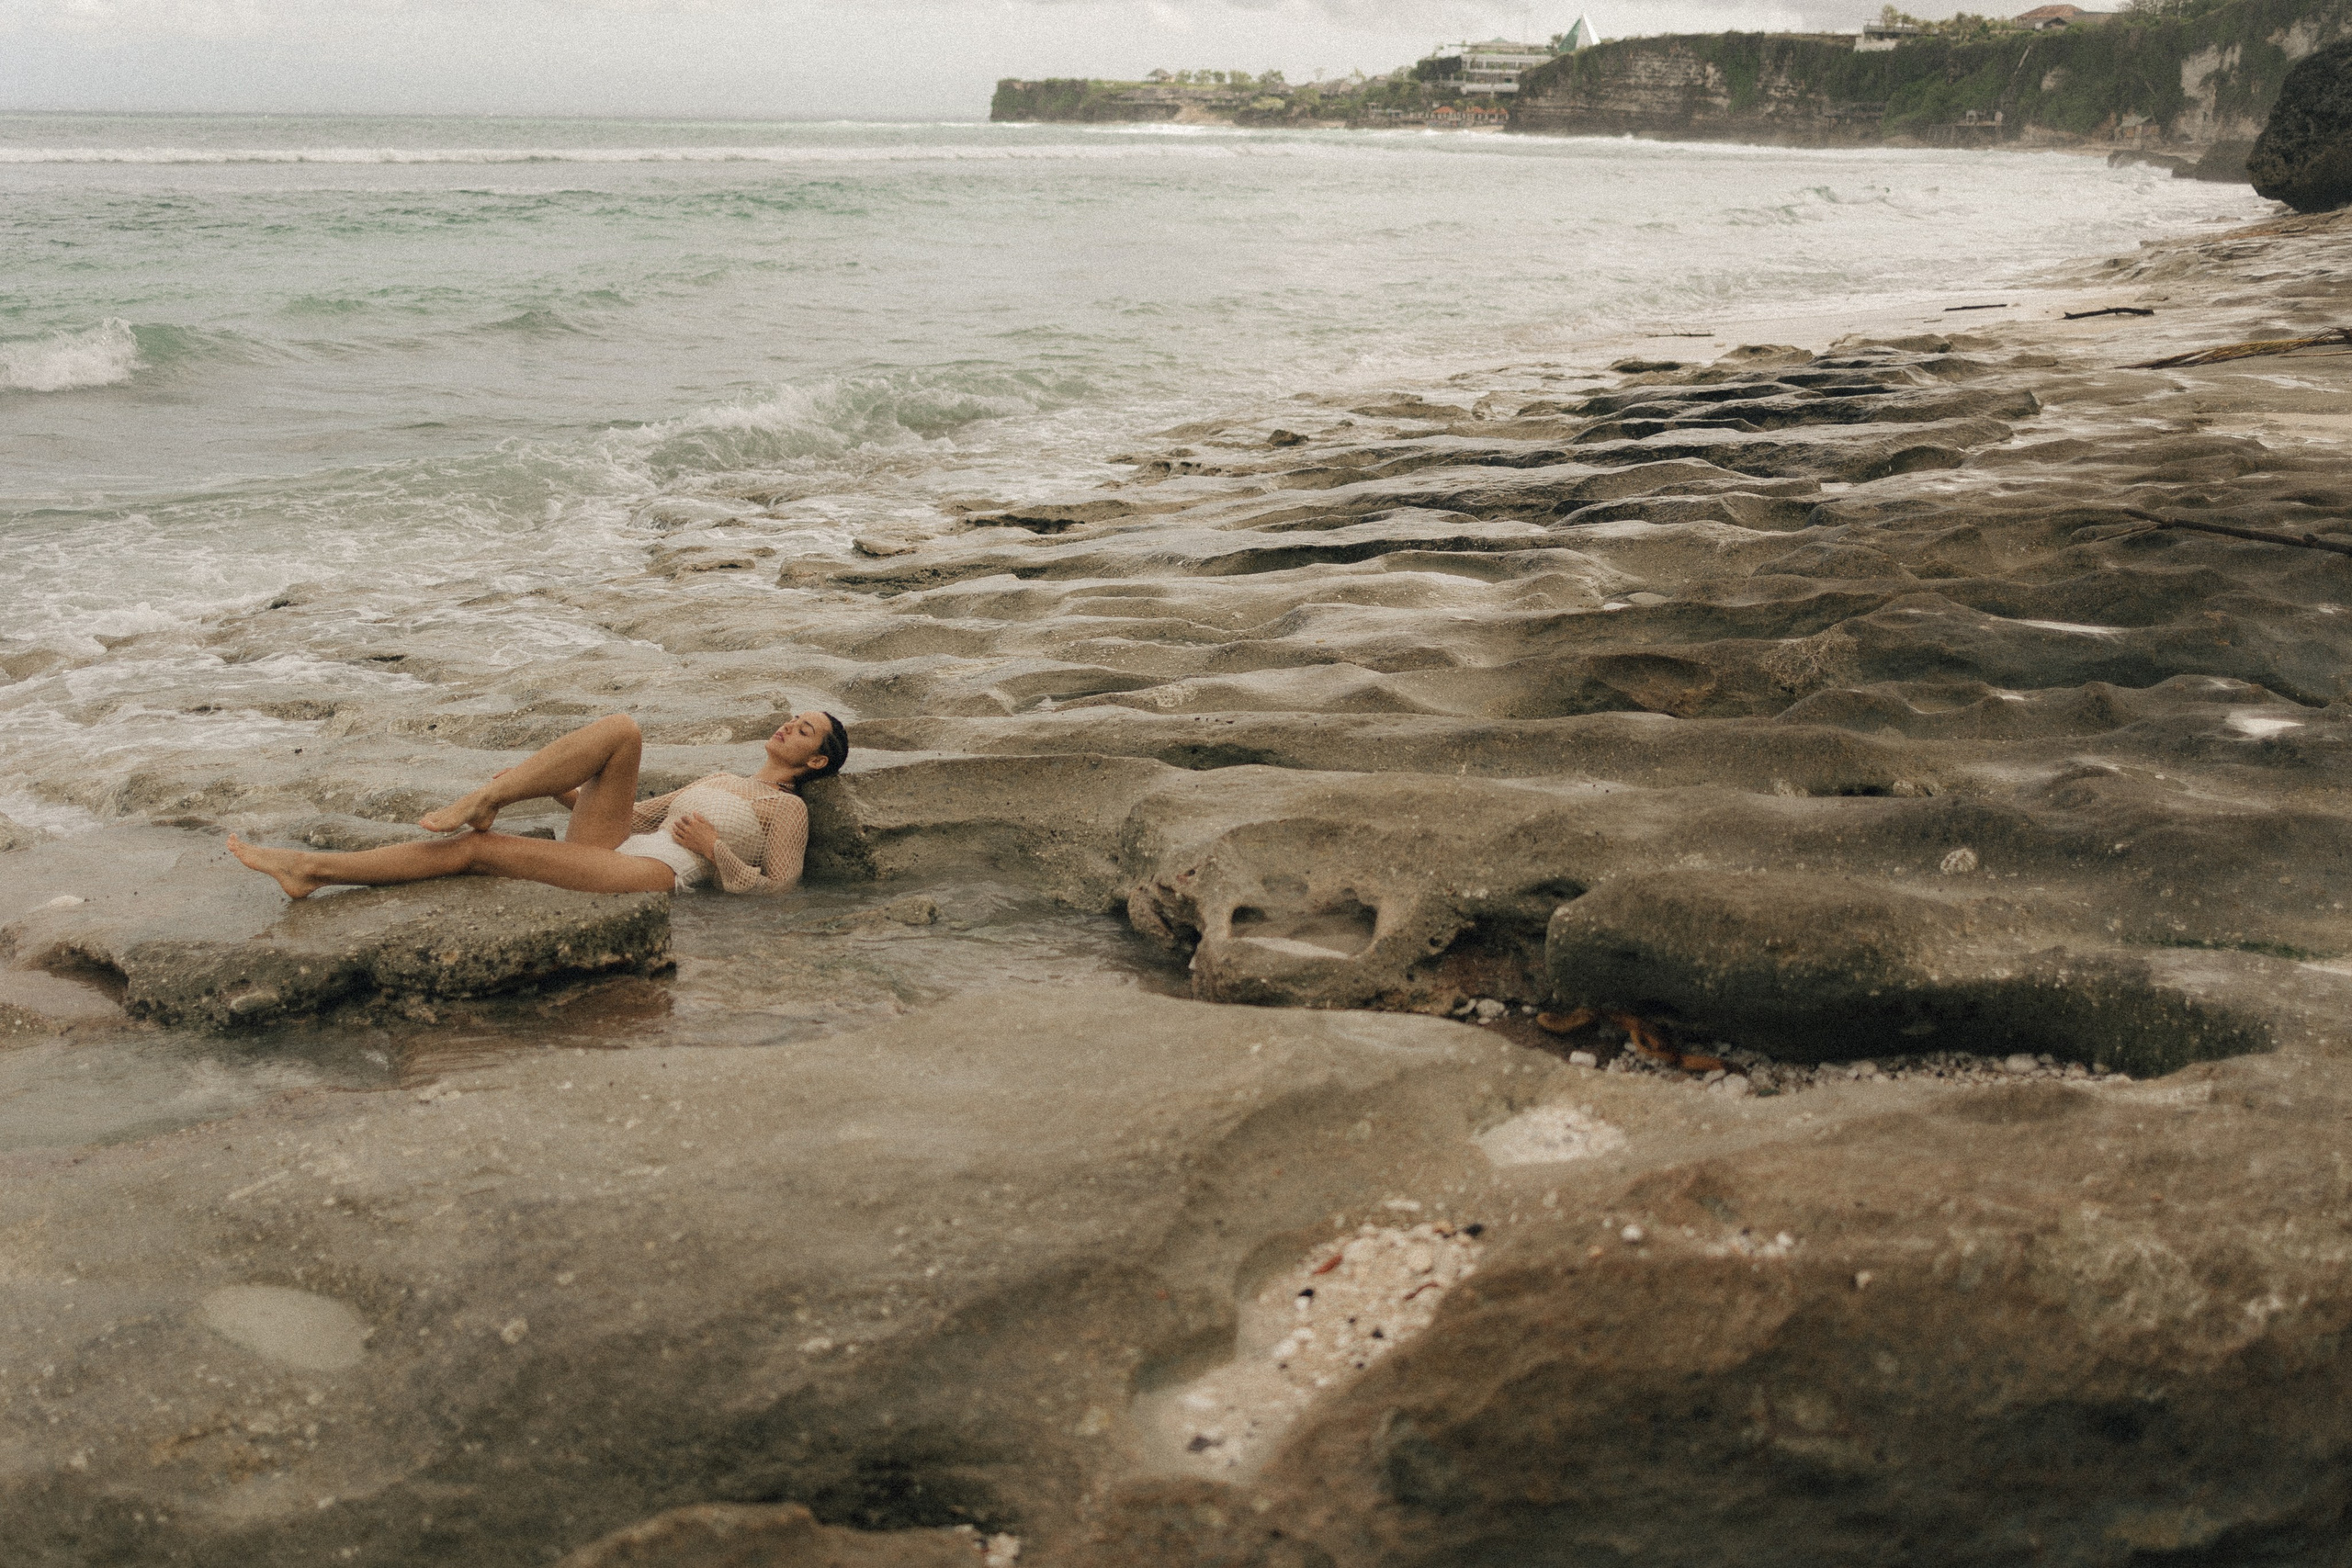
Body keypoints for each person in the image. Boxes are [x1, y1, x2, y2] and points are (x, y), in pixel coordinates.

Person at [227, 711, 847, 900]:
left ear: (817, 762)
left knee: (474, 850)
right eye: (792, 719)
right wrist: (558, 790)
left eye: (805, 731)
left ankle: (311, 869)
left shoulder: (786, 810)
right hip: (618, 848)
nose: (788, 726)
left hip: (656, 873)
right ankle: (489, 797)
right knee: (624, 730)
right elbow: (633, 817)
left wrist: (715, 851)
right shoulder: (719, 776)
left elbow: (780, 889)